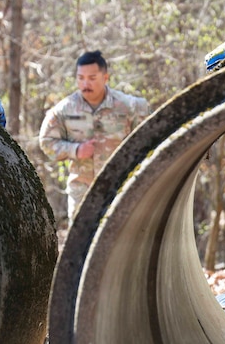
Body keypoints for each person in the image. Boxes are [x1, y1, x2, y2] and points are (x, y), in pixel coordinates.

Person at [39, 50, 150, 220]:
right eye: (80, 78)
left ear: (105, 78)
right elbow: (46, 142)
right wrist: (75, 150)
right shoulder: (64, 110)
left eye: (92, 78)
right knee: (81, 245)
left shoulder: (129, 107)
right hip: (82, 194)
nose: (85, 84)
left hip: (120, 191)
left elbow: (148, 142)